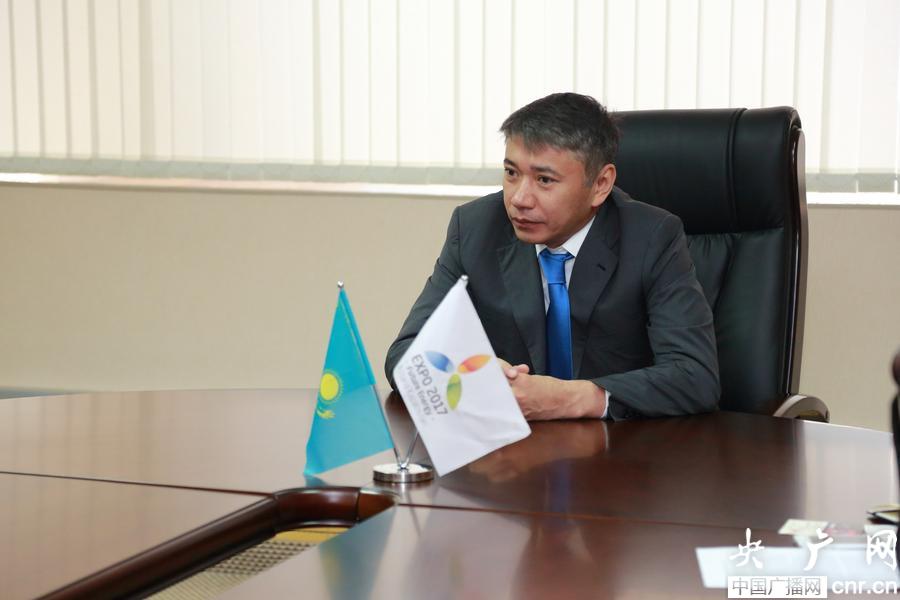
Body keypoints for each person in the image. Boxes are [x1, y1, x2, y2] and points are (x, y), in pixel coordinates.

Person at [385, 92, 719, 420]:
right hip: (514, 446)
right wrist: (475, 376)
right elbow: (405, 354)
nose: (519, 199)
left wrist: (573, 398)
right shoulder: (475, 228)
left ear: (600, 184)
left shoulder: (651, 237)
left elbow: (695, 376)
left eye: (544, 180)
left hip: (619, 446)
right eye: (511, 173)